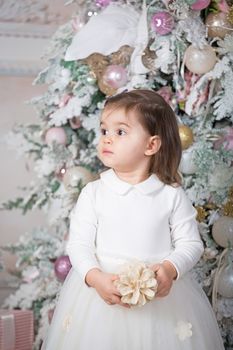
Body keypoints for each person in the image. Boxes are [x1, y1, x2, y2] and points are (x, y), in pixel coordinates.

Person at [42, 89, 224, 349]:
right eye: (104, 131)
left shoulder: (170, 195)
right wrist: (95, 278)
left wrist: (170, 269)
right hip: (101, 300)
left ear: (151, 145)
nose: (107, 139)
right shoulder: (94, 193)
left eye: (120, 132)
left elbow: (191, 244)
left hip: (161, 304)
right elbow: (79, 245)